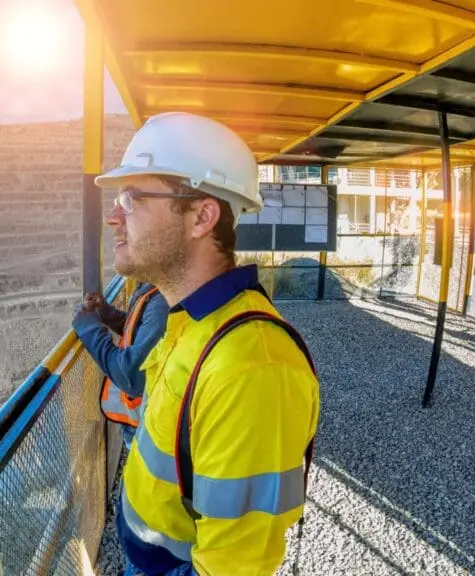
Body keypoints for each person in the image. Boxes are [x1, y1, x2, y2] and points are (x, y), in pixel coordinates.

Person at [92, 111, 321, 575]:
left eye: (133, 198)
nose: (114, 216)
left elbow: (232, 566)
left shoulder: (251, 367)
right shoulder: (191, 321)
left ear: (202, 216)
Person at [72, 279, 169, 450]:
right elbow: (142, 332)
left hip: (146, 428)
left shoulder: (162, 302)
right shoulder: (154, 290)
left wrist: (89, 329)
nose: (117, 251)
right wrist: (109, 314)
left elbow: (131, 374)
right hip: (143, 421)